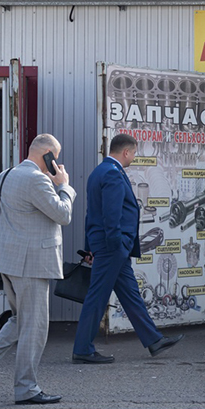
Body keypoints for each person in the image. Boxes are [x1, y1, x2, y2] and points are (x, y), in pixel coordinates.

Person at [0, 134, 75, 404]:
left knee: (20, 320)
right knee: (35, 327)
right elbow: (63, 214)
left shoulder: (5, 176)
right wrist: (64, 186)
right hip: (32, 264)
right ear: (49, 154)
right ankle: (26, 389)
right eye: (56, 158)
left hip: (7, 261)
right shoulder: (37, 179)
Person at [72, 134, 183, 363]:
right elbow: (110, 215)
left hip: (107, 246)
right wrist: (116, 245)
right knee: (97, 297)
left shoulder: (98, 172)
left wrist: (89, 247)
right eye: (133, 153)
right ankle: (82, 350)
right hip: (112, 246)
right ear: (126, 152)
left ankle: (154, 340)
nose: (133, 157)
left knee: (131, 295)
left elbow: (90, 214)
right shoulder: (113, 174)